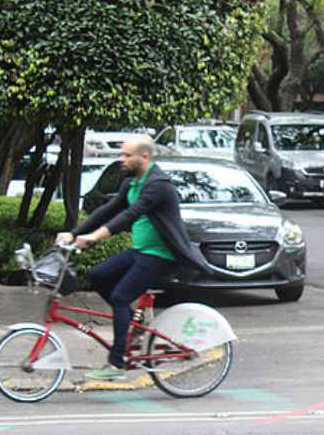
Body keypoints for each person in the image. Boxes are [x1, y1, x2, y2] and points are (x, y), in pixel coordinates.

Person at [56, 136, 216, 381]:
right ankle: (133, 327)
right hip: (142, 251)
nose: (123, 160)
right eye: (123, 155)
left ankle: (117, 363)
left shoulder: (158, 185)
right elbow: (107, 211)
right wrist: (74, 233)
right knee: (97, 275)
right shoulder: (132, 184)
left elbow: (129, 216)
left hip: (162, 255)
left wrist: (94, 238)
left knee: (120, 297)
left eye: (128, 155)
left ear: (145, 156)